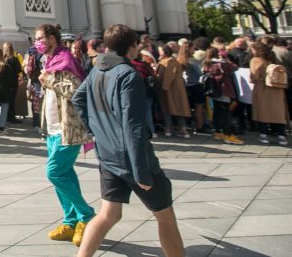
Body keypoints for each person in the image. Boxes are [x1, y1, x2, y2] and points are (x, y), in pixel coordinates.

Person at [72, 25, 185, 257]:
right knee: (165, 216)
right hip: (132, 157)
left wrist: (96, 129)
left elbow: (78, 99)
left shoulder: (98, 68)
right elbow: (132, 125)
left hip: (107, 154)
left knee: (108, 214)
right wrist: (141, 170)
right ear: (131, 46)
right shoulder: (128, 74)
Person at [36, 24, 94, 247]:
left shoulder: (65, 59)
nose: (37, 42)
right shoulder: (50, 61)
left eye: (40, 38)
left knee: (54, 172)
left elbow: (75, 90)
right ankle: (71, 221)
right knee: (65, 174)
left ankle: (86, 215)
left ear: (52, 38)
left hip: (68, 128)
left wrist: (48, 79)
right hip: (52, 128)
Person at [249, 38, 289, 145]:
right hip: (277, 88)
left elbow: (254, 77)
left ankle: (263, 136)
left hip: (263, 88)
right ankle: (282, 136)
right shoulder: (273, 59)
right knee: (278, 112)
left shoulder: (255, 60)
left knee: (263, 112)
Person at [157, 45, 191, 138]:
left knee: (169, 107)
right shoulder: (172, 60)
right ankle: (182, 130)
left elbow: (168, 75)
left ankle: (172, 129)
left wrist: (163, 87)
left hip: (170, 88)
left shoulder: (169, 61)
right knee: (177, 108)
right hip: (176, 87)